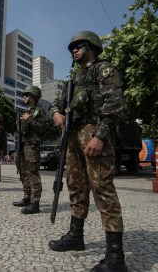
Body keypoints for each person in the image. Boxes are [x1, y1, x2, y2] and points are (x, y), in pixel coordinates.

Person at [48, 31, 127, 272]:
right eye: (72, 47)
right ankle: (76, 235)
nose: (74, 50)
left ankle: (116, 256)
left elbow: (115, 103)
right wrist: (56, 113)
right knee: (76, 186)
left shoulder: (103, 69)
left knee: (102, 188)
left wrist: (100, 135)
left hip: (93, 134)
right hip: (72, 137)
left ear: (91, 47)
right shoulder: (76, 79)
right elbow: (56, 103)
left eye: (78, 46)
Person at [13, 86, 46, 214]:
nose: (24, 97)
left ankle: (35, 203)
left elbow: (42, 128)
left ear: (33, 96)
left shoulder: (39, 111)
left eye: (26, 95)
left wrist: (28, 119)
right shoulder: (29, 111)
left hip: (32, 146)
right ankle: (27, 198)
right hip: (23, 146)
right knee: (24, 172)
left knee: (33, 174)